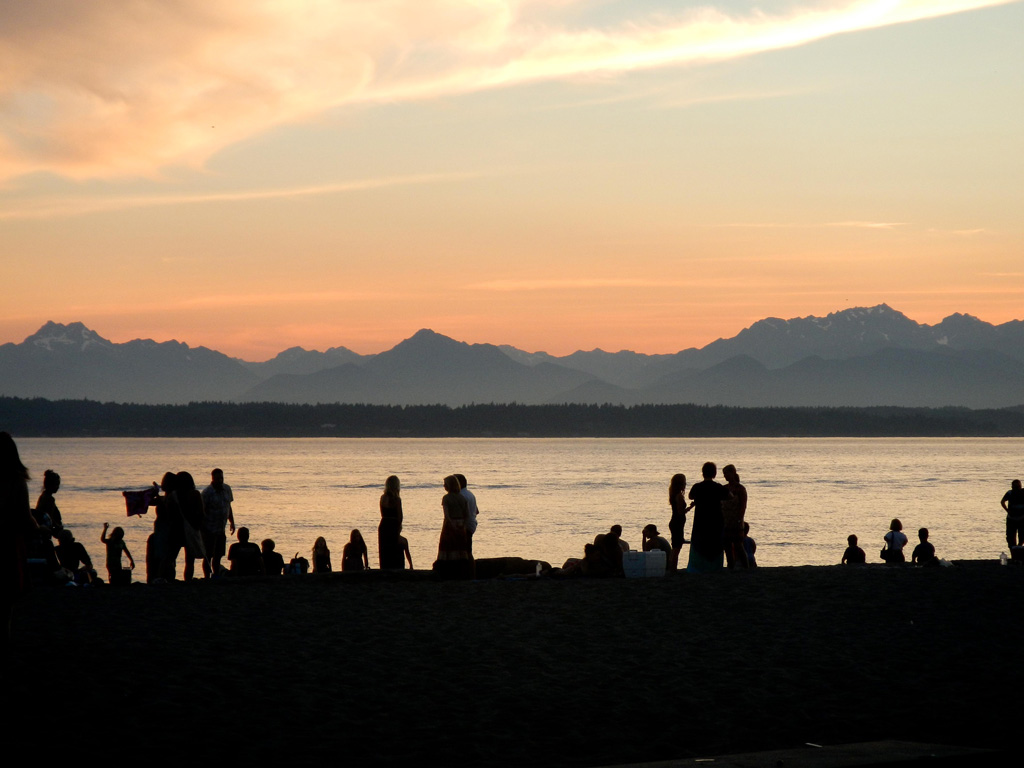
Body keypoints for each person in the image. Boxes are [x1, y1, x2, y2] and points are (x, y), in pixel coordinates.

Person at [2, 432, 37, 644]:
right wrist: (41, 528)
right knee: (5, 608)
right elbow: (25, 517)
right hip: (7, 546)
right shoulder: (16, 482)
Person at [687, 462, 731, 573]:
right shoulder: (718, 487)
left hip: (701, 519)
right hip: (716, 519)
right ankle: (714, 567)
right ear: (714, 474)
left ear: (703, 473)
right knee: (715, 543)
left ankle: (698, 567)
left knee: (699, 542)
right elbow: (730, 496)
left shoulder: (697, 487)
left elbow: (690, 496)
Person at [434, 475, 472, 578]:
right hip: (461, 524)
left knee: (447, 548)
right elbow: (467, 514)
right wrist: (462, 524)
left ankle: (446, 572)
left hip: (450, 525)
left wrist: (451, 524)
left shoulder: (446, 498)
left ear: (449, 486)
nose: (444, 486)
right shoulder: (462, 498)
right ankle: (461, 572)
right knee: (460, 548)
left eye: (445, 484)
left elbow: (447, 515)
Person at [200, 468, 235, 577]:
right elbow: (202, 511)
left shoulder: (227, 489)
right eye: (218, 478)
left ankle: (216, 575)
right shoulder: (207, 493)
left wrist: (232, 521)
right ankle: (207, 576)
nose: (220, 480)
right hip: (209, 529)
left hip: (221, 528)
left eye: (221, 478)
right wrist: (202, 528)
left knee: (218, 554)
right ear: (213, 478)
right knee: (208, 555)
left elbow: (228, 506)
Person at [175, 471, 209, 580]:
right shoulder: (194, 494)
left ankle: (170, 579)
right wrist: (199, 526)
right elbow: (201, 513)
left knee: (172, 557)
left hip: (178, 528)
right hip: (192, 527)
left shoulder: (175, 495)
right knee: (190, 560)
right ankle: (188, 580)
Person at [721, 464, 749, 568]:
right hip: (726, 521)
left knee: (738, 546)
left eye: (726, 474)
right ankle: (730, 566)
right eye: (724, 474)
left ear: (732, 473)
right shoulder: (725, 488)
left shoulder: (740, 489)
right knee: (727, 546)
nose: (725, 476)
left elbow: (743, 505)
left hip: (736, 521)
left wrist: (739, 519)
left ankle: (746, 567)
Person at [378, 475, 404, 569]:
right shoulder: (397, 500)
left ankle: (384, 568)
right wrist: (399, 526)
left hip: (384, 523)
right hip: (393, 524)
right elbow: (400, 516)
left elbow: (382, 513)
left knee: (384, 550)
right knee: (394, 549)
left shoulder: (382, 498)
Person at [668, 474, 692, 565]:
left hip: (675, 522)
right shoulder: (679, 496)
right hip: (677, 523)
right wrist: (691, 507)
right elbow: (681, 512)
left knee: (675, 545)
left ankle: (672, 567)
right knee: (677, 547)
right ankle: (673, 568)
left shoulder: (674, 494)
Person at [455, 474, 479, 556]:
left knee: (462, 550)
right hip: (471, 524)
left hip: (465, 526)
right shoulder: (470, 494)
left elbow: (463, 514)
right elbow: (476, 511)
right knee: (467, 550)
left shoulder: (461, 496)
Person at [34, 469, 63, 534]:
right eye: (56, 485)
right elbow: (49, 517)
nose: (58, 487)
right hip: (46, 529)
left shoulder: (43, 496)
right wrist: (58, 526)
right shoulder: (49, 499)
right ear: (50, 485)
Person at [1001, 479, 1024, 550]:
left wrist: (1007, 511)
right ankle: (1015, 552)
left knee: (1021, 536)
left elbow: (1002, 502)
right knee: (1011, 538)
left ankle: (1018, 550)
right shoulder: (1010, 493)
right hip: (1012, 518)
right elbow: (1002, 502)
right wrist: (1007, 511)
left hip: (1021, 518)